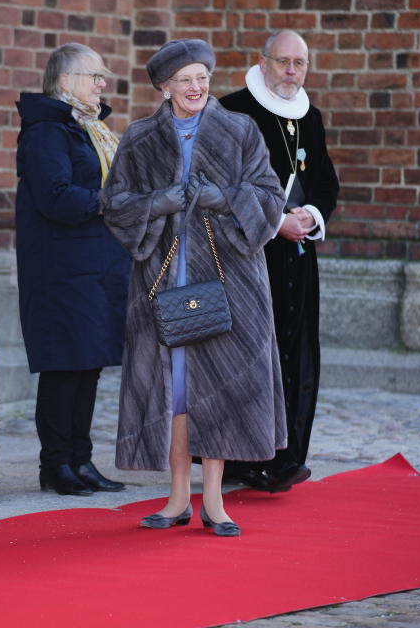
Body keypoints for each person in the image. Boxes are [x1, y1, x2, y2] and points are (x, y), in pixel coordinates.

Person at [100, 39, 287, 536]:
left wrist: (225, 198)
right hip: (163, 282)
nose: (197, 87)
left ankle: (216, 501)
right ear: (164, 87)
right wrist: (157, 203)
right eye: (185, 80)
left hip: (230, 281)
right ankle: (178, 497)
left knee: (224, 383)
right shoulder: (139, 138)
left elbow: (270, 198)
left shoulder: (240, 130)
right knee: (176, 391)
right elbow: (114, 203)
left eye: (202, 77)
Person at [219, 30, 339, 493]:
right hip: (248, 254)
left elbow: (326, 182)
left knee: (297, 351)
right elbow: (225, 186)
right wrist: (274, 223)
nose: (292, 71)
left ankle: (287, 456)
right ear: (263, 62)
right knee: (251, 356)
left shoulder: (311, 116)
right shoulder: (233, 111)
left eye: (300, 63)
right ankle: (243, 459)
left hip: (298, 256)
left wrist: (310, 215)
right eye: (283, 61)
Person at [15, 44, 130, 496]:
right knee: (64, 367)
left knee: (88, 366)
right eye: (93, 76)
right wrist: (111, 203)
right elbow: (56, 196)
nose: (102, 84)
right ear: (65, 82)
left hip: (96, 265)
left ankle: (81, 459)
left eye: (103, 76)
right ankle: (55, 464)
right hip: (61, 269)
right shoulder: (48, 131)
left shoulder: (90, 129)